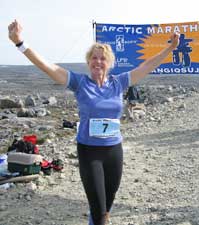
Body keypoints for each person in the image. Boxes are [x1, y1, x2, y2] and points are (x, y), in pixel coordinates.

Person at [8, 20, 179, 225]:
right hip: (90, 152)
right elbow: (47, 66)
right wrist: (20, 43)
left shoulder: (119, 82)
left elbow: (147, 65)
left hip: (114, 150)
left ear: (109, 63)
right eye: (94, 58)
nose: (98, 62)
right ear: (88, 62)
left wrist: (170, 48)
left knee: (106, 206)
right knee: (98, 210)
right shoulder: (80, 83)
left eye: (103, 59)